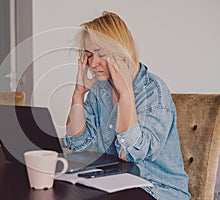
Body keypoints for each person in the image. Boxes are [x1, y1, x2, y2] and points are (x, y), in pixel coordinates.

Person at [63, 11, 190, 200]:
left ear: (120, 51)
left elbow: (131, 153)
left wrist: (126, 94)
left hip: (157, 189)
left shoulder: (153, 91)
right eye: (89, 55)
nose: (93, 63)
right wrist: (78, 95)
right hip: (114, 184)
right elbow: (79, 145)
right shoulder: (100, 90)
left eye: (101, 54)